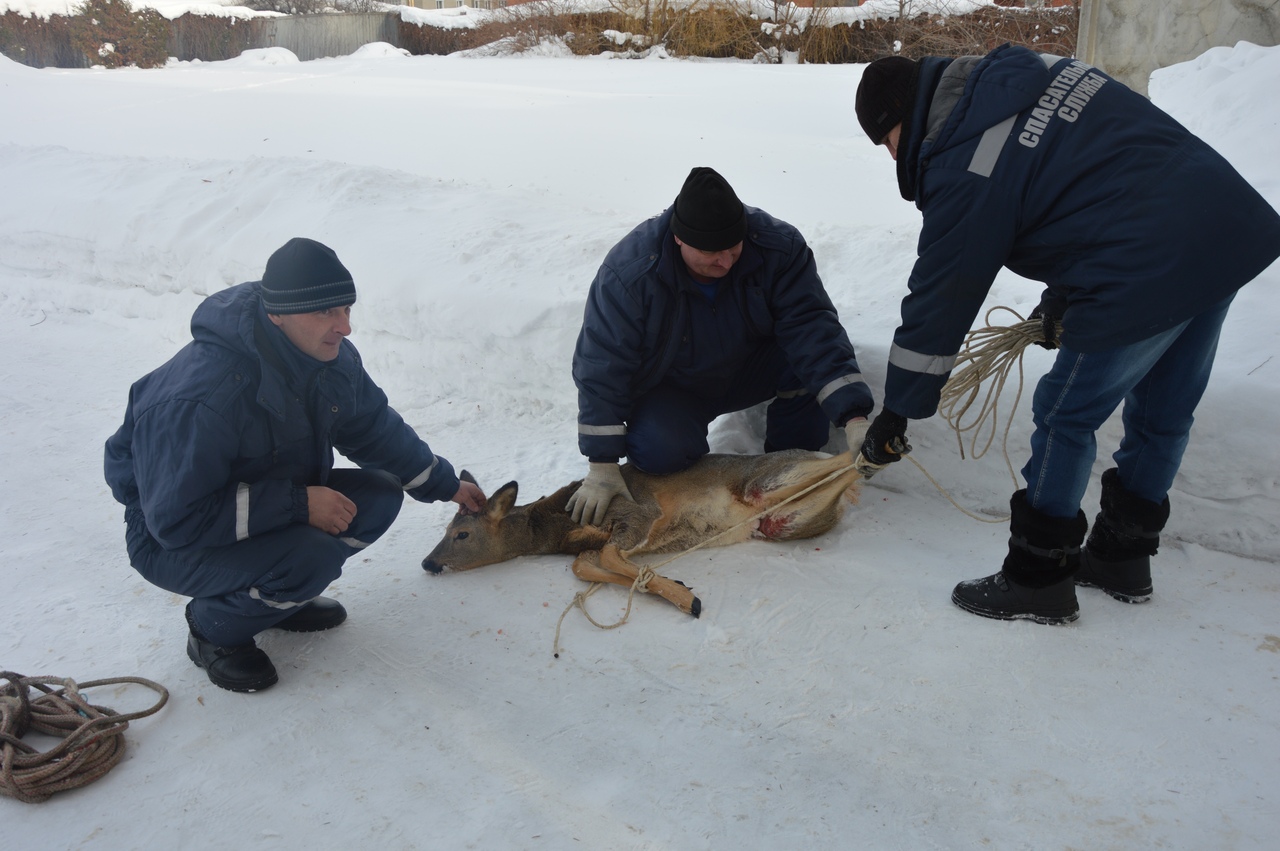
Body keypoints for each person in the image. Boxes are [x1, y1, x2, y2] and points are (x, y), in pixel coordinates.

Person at [852, 46, 1280, 624]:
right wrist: (1061, 298)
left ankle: (1037, 578)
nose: (891, 156)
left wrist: (898, 411)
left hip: (1147, 260)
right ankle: (1122, 557)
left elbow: (943, 295)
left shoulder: (964, 160)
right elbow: (1085, 185)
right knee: (1163, 411)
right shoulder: (1030, 73)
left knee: (1064, 414)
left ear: (904, 116)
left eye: (886, 141)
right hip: (1222, 224)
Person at [104, 238, 486, 692]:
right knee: (311, 556)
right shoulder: (203, 396)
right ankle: (214, 629)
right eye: (325, 312)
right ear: (277, 314)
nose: (344, 326)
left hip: (261, 497)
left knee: (380, 496)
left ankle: (277, 598)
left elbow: (372, 427)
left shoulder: (326, 356)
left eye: (346, 309)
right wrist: (298, 504)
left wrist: (444, 483)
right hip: (168, 535)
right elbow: (177, 519)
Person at [568, 166, 874, 526]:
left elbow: (812, 328)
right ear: (679, 239)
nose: (726, 261)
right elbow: (602, 365)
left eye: (734, 247)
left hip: (752, 368)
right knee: (657, 451)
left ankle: (790, 463)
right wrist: (602, 464)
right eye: (711, 252)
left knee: (802, 368)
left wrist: (853, 415)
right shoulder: (629, 274)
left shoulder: (778, 246)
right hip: (675, 385)